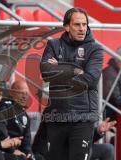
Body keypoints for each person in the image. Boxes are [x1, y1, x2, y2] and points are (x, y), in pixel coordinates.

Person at [40, 7, 104, 160]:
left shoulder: (95, 49)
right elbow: (46, 73)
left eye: (84, 24)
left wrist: (60, 67)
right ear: (67, 27)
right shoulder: (53, 45)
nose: (82, 28)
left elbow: (90, 79)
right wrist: (76, 71)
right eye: (77, 24)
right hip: (57, 116)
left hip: (83, 117)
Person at [32, 117, 116, 160]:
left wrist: (98, 131)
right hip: (60, 154)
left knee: (108, 149)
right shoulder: (52, 116)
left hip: (77, 148)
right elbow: (39, 144)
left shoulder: (80, 113)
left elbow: (84, 136)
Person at [5, 81, 44, 160]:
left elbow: (27, 139)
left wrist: (29, 153)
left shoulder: (24, 115)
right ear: (12, 93)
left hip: (19, 151)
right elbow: (1, 134)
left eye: (26, 94)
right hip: (5, 150)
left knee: (39, 158)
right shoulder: (4, 109)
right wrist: (12, 150)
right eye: (21, 93)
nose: (24, 96)